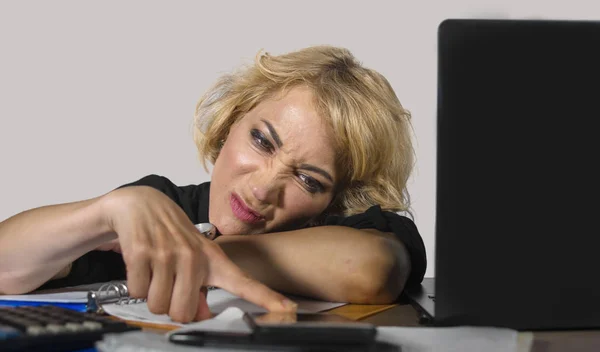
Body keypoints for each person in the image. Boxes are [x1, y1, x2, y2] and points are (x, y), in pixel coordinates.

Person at [0, 45, 426, 323]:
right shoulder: (163, 203)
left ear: (336, 199)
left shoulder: (363, 228)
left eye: (307, 179)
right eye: (262, 141)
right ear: (229, 124)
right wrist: (108, 210)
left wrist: (196, 255)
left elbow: (371, 268)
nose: (262, 189)